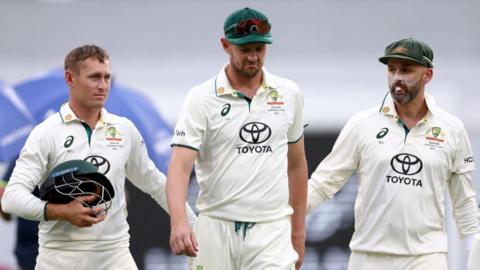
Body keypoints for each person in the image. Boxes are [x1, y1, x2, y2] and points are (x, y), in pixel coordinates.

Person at [1, 44, 196, 270]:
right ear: (70, 79)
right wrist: (61, 212)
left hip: (114, 256)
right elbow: (10, 199)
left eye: (106, 77)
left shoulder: (124, 130)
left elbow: (156, 184)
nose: (103, 86)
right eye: (94, 77)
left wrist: (190, 224)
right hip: (59, 257)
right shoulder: (45, 133)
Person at [307, 37, 480, 269]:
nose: (397, 77)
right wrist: (282, 215)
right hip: (369, 257)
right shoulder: (363, 124)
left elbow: (465, 205)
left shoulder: (452, 128)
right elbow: (322, 184)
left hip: (426, 258)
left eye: (406, 70)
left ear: (427, 75)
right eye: (392, 69)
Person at [166, 7, 308, 270]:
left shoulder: (289, 93)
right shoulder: (201, 97)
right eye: (245, 49)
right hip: (215, 227)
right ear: (225, 45)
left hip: (272, 230)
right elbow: (180, 167)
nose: (253, 57)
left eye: (259, 49)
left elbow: (297, 166)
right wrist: (179, 222)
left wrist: (298, 232)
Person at [0, 160, 39, 270]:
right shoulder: (70, 156)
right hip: (65, 244)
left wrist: (7, 216)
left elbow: (2, 196)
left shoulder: (22, 158)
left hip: (28, 247)